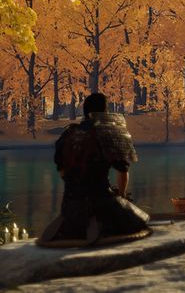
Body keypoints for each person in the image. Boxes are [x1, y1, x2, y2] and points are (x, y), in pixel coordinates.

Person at [39, 93, 150, 246]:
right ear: (104, 111)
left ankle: (74, 223)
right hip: (101, 202)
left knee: (77, 212)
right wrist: (122, 196)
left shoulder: (68, 134)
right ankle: (99, 224)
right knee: (141, 221)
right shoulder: (107, 133)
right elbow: (123, 172)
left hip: (70, 203)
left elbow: (62, 171)